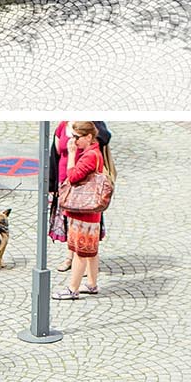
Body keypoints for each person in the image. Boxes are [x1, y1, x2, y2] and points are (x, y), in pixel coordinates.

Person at [58, 120, 114, 297]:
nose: (74, 141)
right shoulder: (93, 152)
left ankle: (72, 289)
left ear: (89, 137)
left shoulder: (89, 155)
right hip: (91, 212)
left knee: (80, 252)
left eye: (77, 137)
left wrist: (72, 155)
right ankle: (91, 284)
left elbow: (72, 176)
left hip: (84, 214)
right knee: (91, 251)